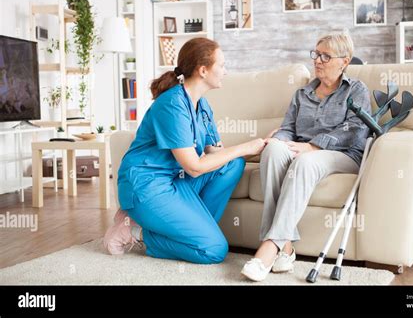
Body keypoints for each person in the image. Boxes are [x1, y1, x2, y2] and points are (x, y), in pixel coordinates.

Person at [103, 37, 266, 264]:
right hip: (146, 186)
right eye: (222, 65)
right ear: (202, 70)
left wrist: (263, 146)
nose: (226, 72)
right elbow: (195, 167)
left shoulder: (203, 105)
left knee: (232, 164)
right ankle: (136, 232)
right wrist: (245, 146)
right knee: (214, 250)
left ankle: (192, 234)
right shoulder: (172, 104)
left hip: (174, 181)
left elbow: (218, 154)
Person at [241, 32, 371, 281]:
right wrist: (277, 139)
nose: (318, 60)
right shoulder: (302, 94)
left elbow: (355, 130)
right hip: (302, 149)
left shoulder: (356, 90)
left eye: (325, 56)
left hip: (343, 155)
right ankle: (286, 247)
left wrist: (313, 146)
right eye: (316, 54)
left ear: (345, 61)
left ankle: (268, 249)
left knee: (304, 161)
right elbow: (289, 128)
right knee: (274, 150)